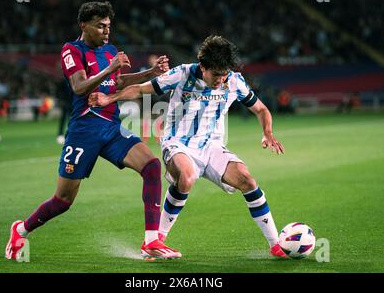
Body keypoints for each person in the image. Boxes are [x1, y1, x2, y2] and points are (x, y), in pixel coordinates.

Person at [5, 1, 181, 261]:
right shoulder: (71, 50)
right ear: (84, 26)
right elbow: (78, 87)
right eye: (100, 26)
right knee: (63, 200)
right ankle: (20, 229)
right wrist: (109, 68)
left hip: (111, 128)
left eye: (108, 26)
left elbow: (118, 81)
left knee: (152, 166)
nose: (106, 31)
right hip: (84, 130)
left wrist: (150, 73)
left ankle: (151, 240)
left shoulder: (109, 50)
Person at [88, 35, 288, 258]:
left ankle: (275, 244)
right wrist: (109, 99)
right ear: (203, 67)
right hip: (177, 143)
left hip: (211, 146)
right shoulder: (182, 74)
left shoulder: (234, 81)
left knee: (247, 180)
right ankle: (155, 242)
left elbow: (261, 109)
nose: (220, 81)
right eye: (216, 75)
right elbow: (140, 90)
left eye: (224, 75)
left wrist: (267, 133)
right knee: (187, 175)